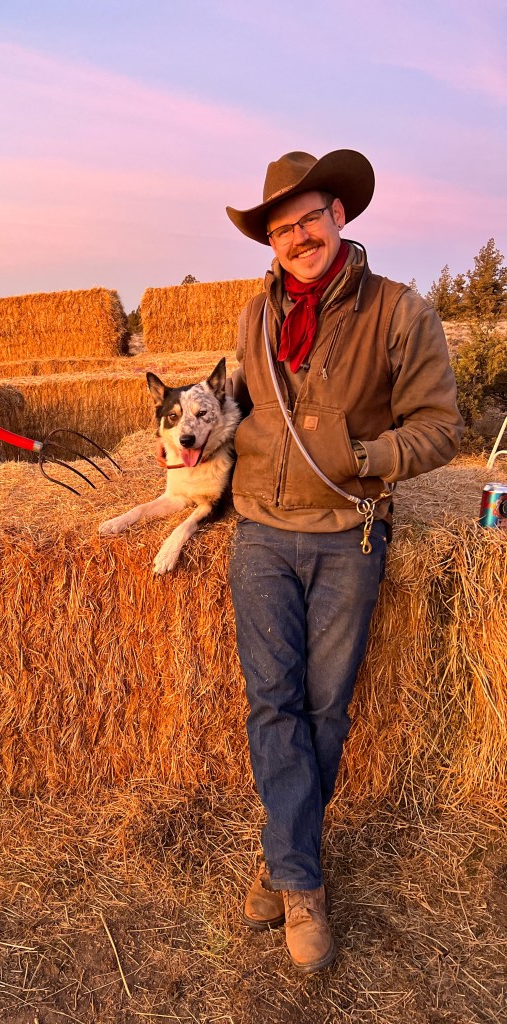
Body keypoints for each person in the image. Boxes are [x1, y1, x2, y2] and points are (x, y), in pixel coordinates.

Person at [224, 150, 463, 973]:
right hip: (258, 529)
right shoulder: (253, 317)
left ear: (341, 217)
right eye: (282, 228)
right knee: (272, 703)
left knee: (325, 711)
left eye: (310, 219)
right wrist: (193, 457)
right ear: (271, 240)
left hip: (347, 533)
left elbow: (441, 426)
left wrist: (362, 454)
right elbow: (247, 411)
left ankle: (283, 858)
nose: (298, 237)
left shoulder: (401, 313)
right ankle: (302, 883)